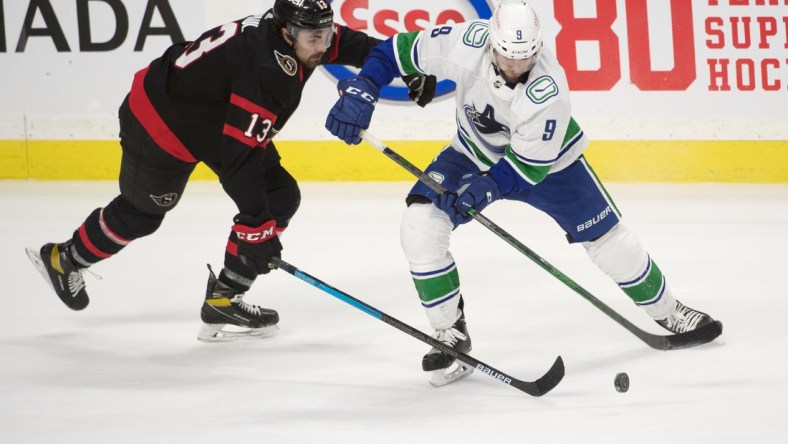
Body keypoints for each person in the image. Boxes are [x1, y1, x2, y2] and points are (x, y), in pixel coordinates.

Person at [325, 0, 718, 386]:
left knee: (610, 242)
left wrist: (483, 192)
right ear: (491, 44)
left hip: (550, 166)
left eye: (525, 59)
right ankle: (450, 333)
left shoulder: (549, 92)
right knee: (419, 225)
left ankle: (669, 311)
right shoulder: (467, 41)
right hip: (472, 153)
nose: (515, 68)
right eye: (507, 57)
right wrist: (364, 87)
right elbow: (393, 52)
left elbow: (525, 168)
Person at [25, 0, 434, 343]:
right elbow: (240, 164)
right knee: (142, 214)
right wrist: (255, 227)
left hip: (213, 113)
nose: (324, 45)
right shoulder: (266, 69)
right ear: (287, 32)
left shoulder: (297, 34)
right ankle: (65, 259)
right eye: (315, 38)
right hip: (161, 120)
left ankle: (224, 299)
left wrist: (404, 67)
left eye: (327, 34)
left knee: (280, 198)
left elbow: (356, 43)